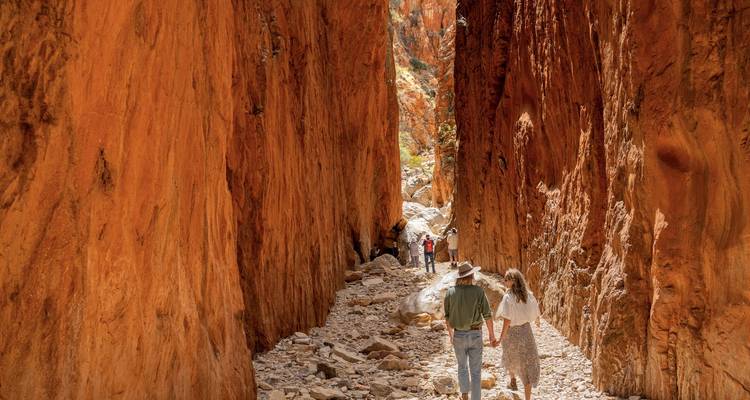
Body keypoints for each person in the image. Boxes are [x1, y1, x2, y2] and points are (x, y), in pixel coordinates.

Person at [444, 262, 497, 400]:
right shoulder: (478, 291)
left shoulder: (450, 292)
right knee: (475, 371)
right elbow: (487, 315)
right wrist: (491, 335)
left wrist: (451, 336)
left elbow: (447, 318)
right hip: (475, 334)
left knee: (462, 367)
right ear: (472, 275)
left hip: (458, 335)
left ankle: (465, 394)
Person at [494, 268, 541, 400]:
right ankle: (527, 397)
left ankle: (513, 379)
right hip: (526, 331)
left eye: (506, 279)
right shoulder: (528, 295)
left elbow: (507, 320)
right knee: (527, 363)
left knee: (510, 356)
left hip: (512, 333)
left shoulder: (508, 297)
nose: (504, 281)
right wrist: (537, 321)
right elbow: (536, 311)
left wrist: (500, 337)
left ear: (513, 281)